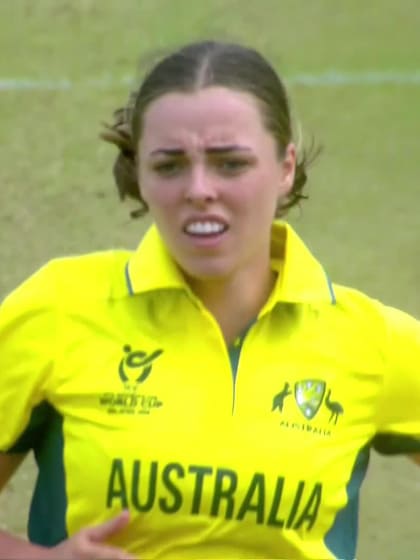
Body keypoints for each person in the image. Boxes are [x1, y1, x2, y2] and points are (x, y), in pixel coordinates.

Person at [0, 40, 419, 560]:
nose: (199, 189)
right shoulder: (59, 309)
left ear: (285, 167)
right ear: (141, 175)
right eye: (170, 165)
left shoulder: (373, 342)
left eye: (230, 164)